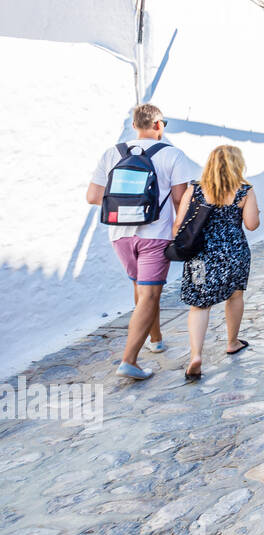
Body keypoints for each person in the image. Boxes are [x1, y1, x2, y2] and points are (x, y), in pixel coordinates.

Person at [87, 103, 199, 380]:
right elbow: (178, 199)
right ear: (158, 125)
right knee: (150, 294)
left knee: (143, 289)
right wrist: (180, 230)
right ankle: (129, 360)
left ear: (135, 125)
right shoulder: (172, 154)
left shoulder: (112, 153)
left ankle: (156, 338)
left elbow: (92, 196)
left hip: (119, 235)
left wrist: (127, 203)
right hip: (154, 235)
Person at [175, 145, 259, 381]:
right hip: (234, 254)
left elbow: (179, 225)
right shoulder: (244, 191)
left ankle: (195, 356)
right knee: (235, 296)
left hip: (201, 256)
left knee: (200, 305)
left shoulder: (195, 190)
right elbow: (252, 225)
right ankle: (232, 342)